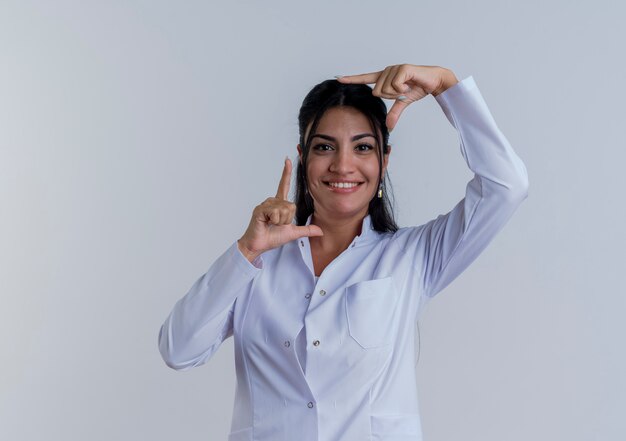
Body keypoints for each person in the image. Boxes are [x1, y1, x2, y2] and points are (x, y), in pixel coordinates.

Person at [158, 63, 529, 441]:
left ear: (384, 160)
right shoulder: (256, 263)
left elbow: (507, 187)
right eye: (324, 147)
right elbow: (179, 350)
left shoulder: (413, 257)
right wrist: (245, 251)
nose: (343, 165)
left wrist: (445, 86)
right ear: (304, 158)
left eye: (363, 147)